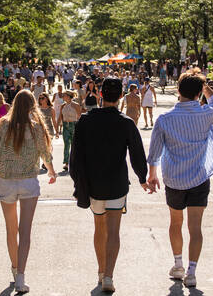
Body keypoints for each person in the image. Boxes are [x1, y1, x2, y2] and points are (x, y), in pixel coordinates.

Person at [147, 70, 213, 288]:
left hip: (174, 179)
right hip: (199, 177)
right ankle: (191, 272)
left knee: (175, 222)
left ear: (179, 91)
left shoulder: (164, 119)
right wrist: (205, 87)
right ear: (198, 93)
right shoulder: (205, 113)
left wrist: (152, 175)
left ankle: (178, 264)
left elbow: (154, 153)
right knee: (195, 227)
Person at [69, 78, 149, 293]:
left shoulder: (85, 121)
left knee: (99, 228)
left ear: (100, 95)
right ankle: (109, 276)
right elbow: (137, 154)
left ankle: (100, 270)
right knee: (114, 231)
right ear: (121, 96)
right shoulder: (126, 123)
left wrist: (78, 183)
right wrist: (143, 177)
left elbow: (75, 157)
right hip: (117, 183)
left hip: (94, 184)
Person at [0, 89, 57, 293]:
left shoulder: (3, 125)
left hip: (7, 182)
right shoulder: (36, 127)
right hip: (28, 182)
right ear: (32, 106)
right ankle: (21, 277)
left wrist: (6, 165)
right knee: (25, 231)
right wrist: (52, 172)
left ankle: (14, 267)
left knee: (11, 229)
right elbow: (45, 153)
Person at [58, 90, 82, 171]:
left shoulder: (76, 105)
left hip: (74, 125)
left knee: (74, 145)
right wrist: (58, 128)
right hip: (66, 126)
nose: (63, 96)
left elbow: (80, 117)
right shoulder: (63, 106)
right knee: (66, 144)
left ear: (68, 96)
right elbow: (60, 117)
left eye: (64, 95)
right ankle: (66, 163)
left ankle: (75, 162)